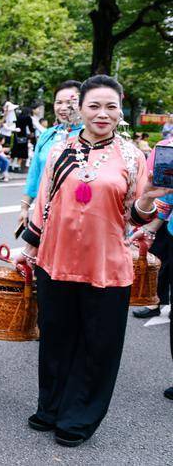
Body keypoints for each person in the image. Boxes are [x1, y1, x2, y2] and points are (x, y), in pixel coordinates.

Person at [17, 75, 168, 446]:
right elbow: (43, 204)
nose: (102, 113)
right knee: (55, 338)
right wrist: (30, 250)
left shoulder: (133, 156)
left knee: (98, 345)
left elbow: (135, 216)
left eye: (111, 106)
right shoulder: (59, 149)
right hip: (55, 261)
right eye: (94, 105)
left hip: (107, 264)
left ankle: (79, 416)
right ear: (80, 108)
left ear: (121, 110)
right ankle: (50, 406)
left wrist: (149, 198)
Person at [19, 81, 82, 229]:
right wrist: (24, 208)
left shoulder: (90, 135)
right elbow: (34, 174)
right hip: (43, 211)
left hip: (77, 216)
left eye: (70, 102)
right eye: (58, 102)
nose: (63, 107)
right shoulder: (47, 135)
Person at [131, 137, 173, 321]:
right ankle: (154, 301)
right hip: (164, 219)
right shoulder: (166, 146)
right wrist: (152, 226)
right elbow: (166, 192)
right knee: (162, 261)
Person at [11, 106, 36, 172]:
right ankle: (18, 167)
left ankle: (11, 165)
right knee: (22, 151)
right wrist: (33, 132)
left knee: (15, 150)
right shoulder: (28, 118)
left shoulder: (18, 116)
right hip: (23, 135)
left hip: (16, 134)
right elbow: (31, 127)